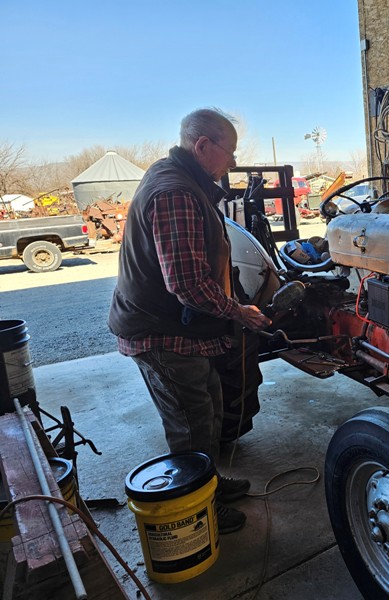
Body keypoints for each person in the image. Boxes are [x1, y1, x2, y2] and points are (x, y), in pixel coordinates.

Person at [109, 108, 270, 534]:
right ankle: (198, 514)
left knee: (210, 405)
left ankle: (209, 484)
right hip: (160, 333)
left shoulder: (180, 179)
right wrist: (239, 312)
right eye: (229, 152)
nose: (233, 163)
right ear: (202, 146)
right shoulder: (175, 191)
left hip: (176, 328)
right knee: (191, 423)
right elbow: (186, 283)